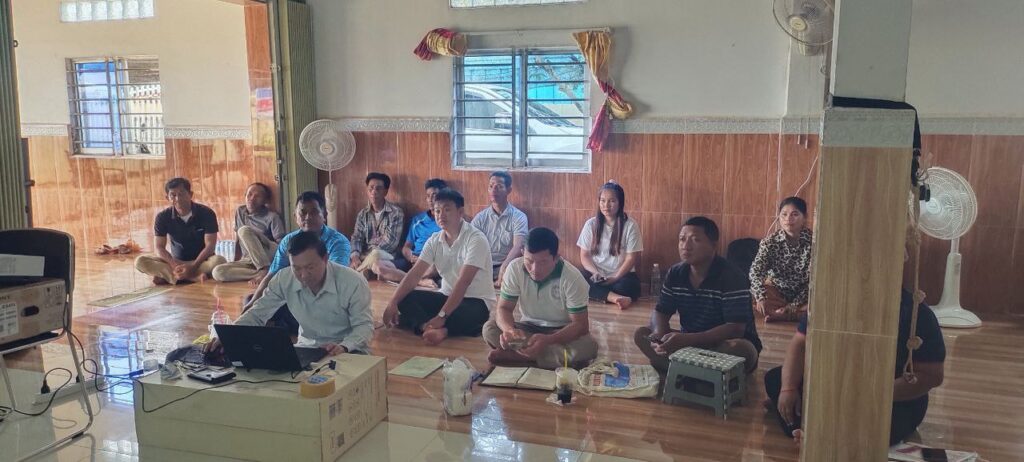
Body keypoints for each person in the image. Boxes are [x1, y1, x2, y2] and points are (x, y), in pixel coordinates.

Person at [764, 290, 945, 446]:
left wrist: (866, 397)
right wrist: (788, 388)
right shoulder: (829, 297)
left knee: (874, 434)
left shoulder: (915, 312)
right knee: (775, 379)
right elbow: (800, 343)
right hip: (836, 387)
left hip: (888, 400)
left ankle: (820, 436)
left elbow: (932, 375)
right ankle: (820, 433)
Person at [205, 231, 373, 355]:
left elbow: (364, 326)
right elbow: (257, 314)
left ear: (325, 258)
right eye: (296, 268)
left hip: (350, 351)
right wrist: (227, 337)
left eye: (310, 267)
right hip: (307, 349)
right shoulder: (284, 279)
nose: (303, 275)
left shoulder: (352, 282)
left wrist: (343, 347)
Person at [633, 216, 762, 374]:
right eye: (682, 239)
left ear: (713, 245)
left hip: (721, 345)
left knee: (741, 348)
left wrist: (688, 340)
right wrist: (660, 332)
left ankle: (682, 370)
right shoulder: (676, 273)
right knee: (642, 334)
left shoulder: (732, 276)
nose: (686, 246)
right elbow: (661, 311)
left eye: (695, 240)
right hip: (689, 343)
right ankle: (700, 374)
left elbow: (735, 329)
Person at [382, 188, 494, 345]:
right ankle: (426, 327)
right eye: (437, 210)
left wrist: (442, 316)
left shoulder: (476, 239)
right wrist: (392, 302)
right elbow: (415, 274)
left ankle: (444, 330)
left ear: (460, 212)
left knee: (471, 315)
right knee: (405, 298)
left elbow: (464, 282)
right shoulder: (434, 240)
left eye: (447, 210)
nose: (441, 215)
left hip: (475, 301)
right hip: (446, 296)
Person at [484, 227, 598, 369]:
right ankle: (545, 358)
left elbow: (580, 325)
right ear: (522, 253)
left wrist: (549, 340)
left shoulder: (572, 278)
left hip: (561, 331)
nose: (535, 269)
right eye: (529, 261)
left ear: (556, 258)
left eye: (543, 262)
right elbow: (504, 308)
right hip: (529, 328)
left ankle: (520, 356)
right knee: (490, 329)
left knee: (589, 346)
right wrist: (509, 330)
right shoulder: (514, 269)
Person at [244, 191, 351, 334]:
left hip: (327, 300)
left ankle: (282, 326)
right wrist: (252, 305)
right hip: (298, 299)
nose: (308, 217)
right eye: (303, 213)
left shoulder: (338, 242)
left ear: (324, 215)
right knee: (251, 300)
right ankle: (282, 326)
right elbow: (272, 275)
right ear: (295, 217)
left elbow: (333, 279)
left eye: (314, 212)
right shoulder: (289, 241)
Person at [135, 177, 225, 285]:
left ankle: (172, 277)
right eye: (173, 195)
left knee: (219, 261)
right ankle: (192, 278)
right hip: (176, 262)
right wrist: (175, 265)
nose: (177, 198)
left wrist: (193, 266)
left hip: (201, 261)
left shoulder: (206, 213)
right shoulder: (162, 217)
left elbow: (210, 246)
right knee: (140, 261)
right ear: (167, 198)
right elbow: (159, 247)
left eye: (181, 194)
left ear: (190, 194)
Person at [576, 182, 643, 309]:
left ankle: (601, 294)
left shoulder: (630, 225)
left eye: (612, 201)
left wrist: (615, 277)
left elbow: (631, 258)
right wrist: (596, 273)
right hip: (596, 275)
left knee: (628, 287)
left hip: (621, 276)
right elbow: (584, 255)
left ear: (620, 203)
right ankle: (615, 298)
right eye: (602, 200)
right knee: (577, 278)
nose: (606, 205)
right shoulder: (590, 224)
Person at [749, 196, 813, 322]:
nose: (788, 219)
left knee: (821, 299)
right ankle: (793, 315)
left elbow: (815, 281)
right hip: (777, 292)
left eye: (795, 214)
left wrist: (794, 304)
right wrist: (760, 297)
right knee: (752, 297)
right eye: (784, 214)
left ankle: (782, 314)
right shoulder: (770, 242)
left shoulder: (814, 242)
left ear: (804, 217)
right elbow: (755, 272)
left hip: (804, 294)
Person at [374, 178, 446, 286]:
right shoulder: (418, 220)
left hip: (431, 264)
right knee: (377, 265)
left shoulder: (446, 221)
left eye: (434, 195)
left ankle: (399, 277)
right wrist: (411, 256)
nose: (431, 199)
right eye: (428, 196)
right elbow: (406, 247)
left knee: (437, 266)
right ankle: (420, 282)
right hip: (413, 262)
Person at [212, 183, 286, 284]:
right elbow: (238, 240)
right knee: (217, 272)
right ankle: (266, 274)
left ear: (264, 201)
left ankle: (264, 269)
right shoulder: (240, 211)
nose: (252, 198)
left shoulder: (272, 217)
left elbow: (281, 244)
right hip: (249, 259)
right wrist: (236, 260)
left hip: (268, 254)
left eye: (257, 196)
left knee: (243, 230)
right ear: (245, 195)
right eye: (249, 194)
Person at [471, 171, 528, 288]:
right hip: (483, 266)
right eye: (491, 186)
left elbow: (518, 246)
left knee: (518, 273)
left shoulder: (518, 217)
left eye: (499, 186)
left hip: (506, 265)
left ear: (508, 190)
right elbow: (470, 243)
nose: (494, 190)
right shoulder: (480, 218)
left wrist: (504, 266)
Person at [349, 172, 404, 275]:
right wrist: (355, 256)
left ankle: (358, 272)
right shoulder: (363, 214)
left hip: (386, 255)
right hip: (365, 255)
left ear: (385, 192)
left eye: (378, 189)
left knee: (376, 253)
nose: (374, 192)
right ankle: (363, 270)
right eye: (371, 188)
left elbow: (391, 242)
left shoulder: (396, 212)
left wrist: (368, 255)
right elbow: (357, 238)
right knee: (349, 256)